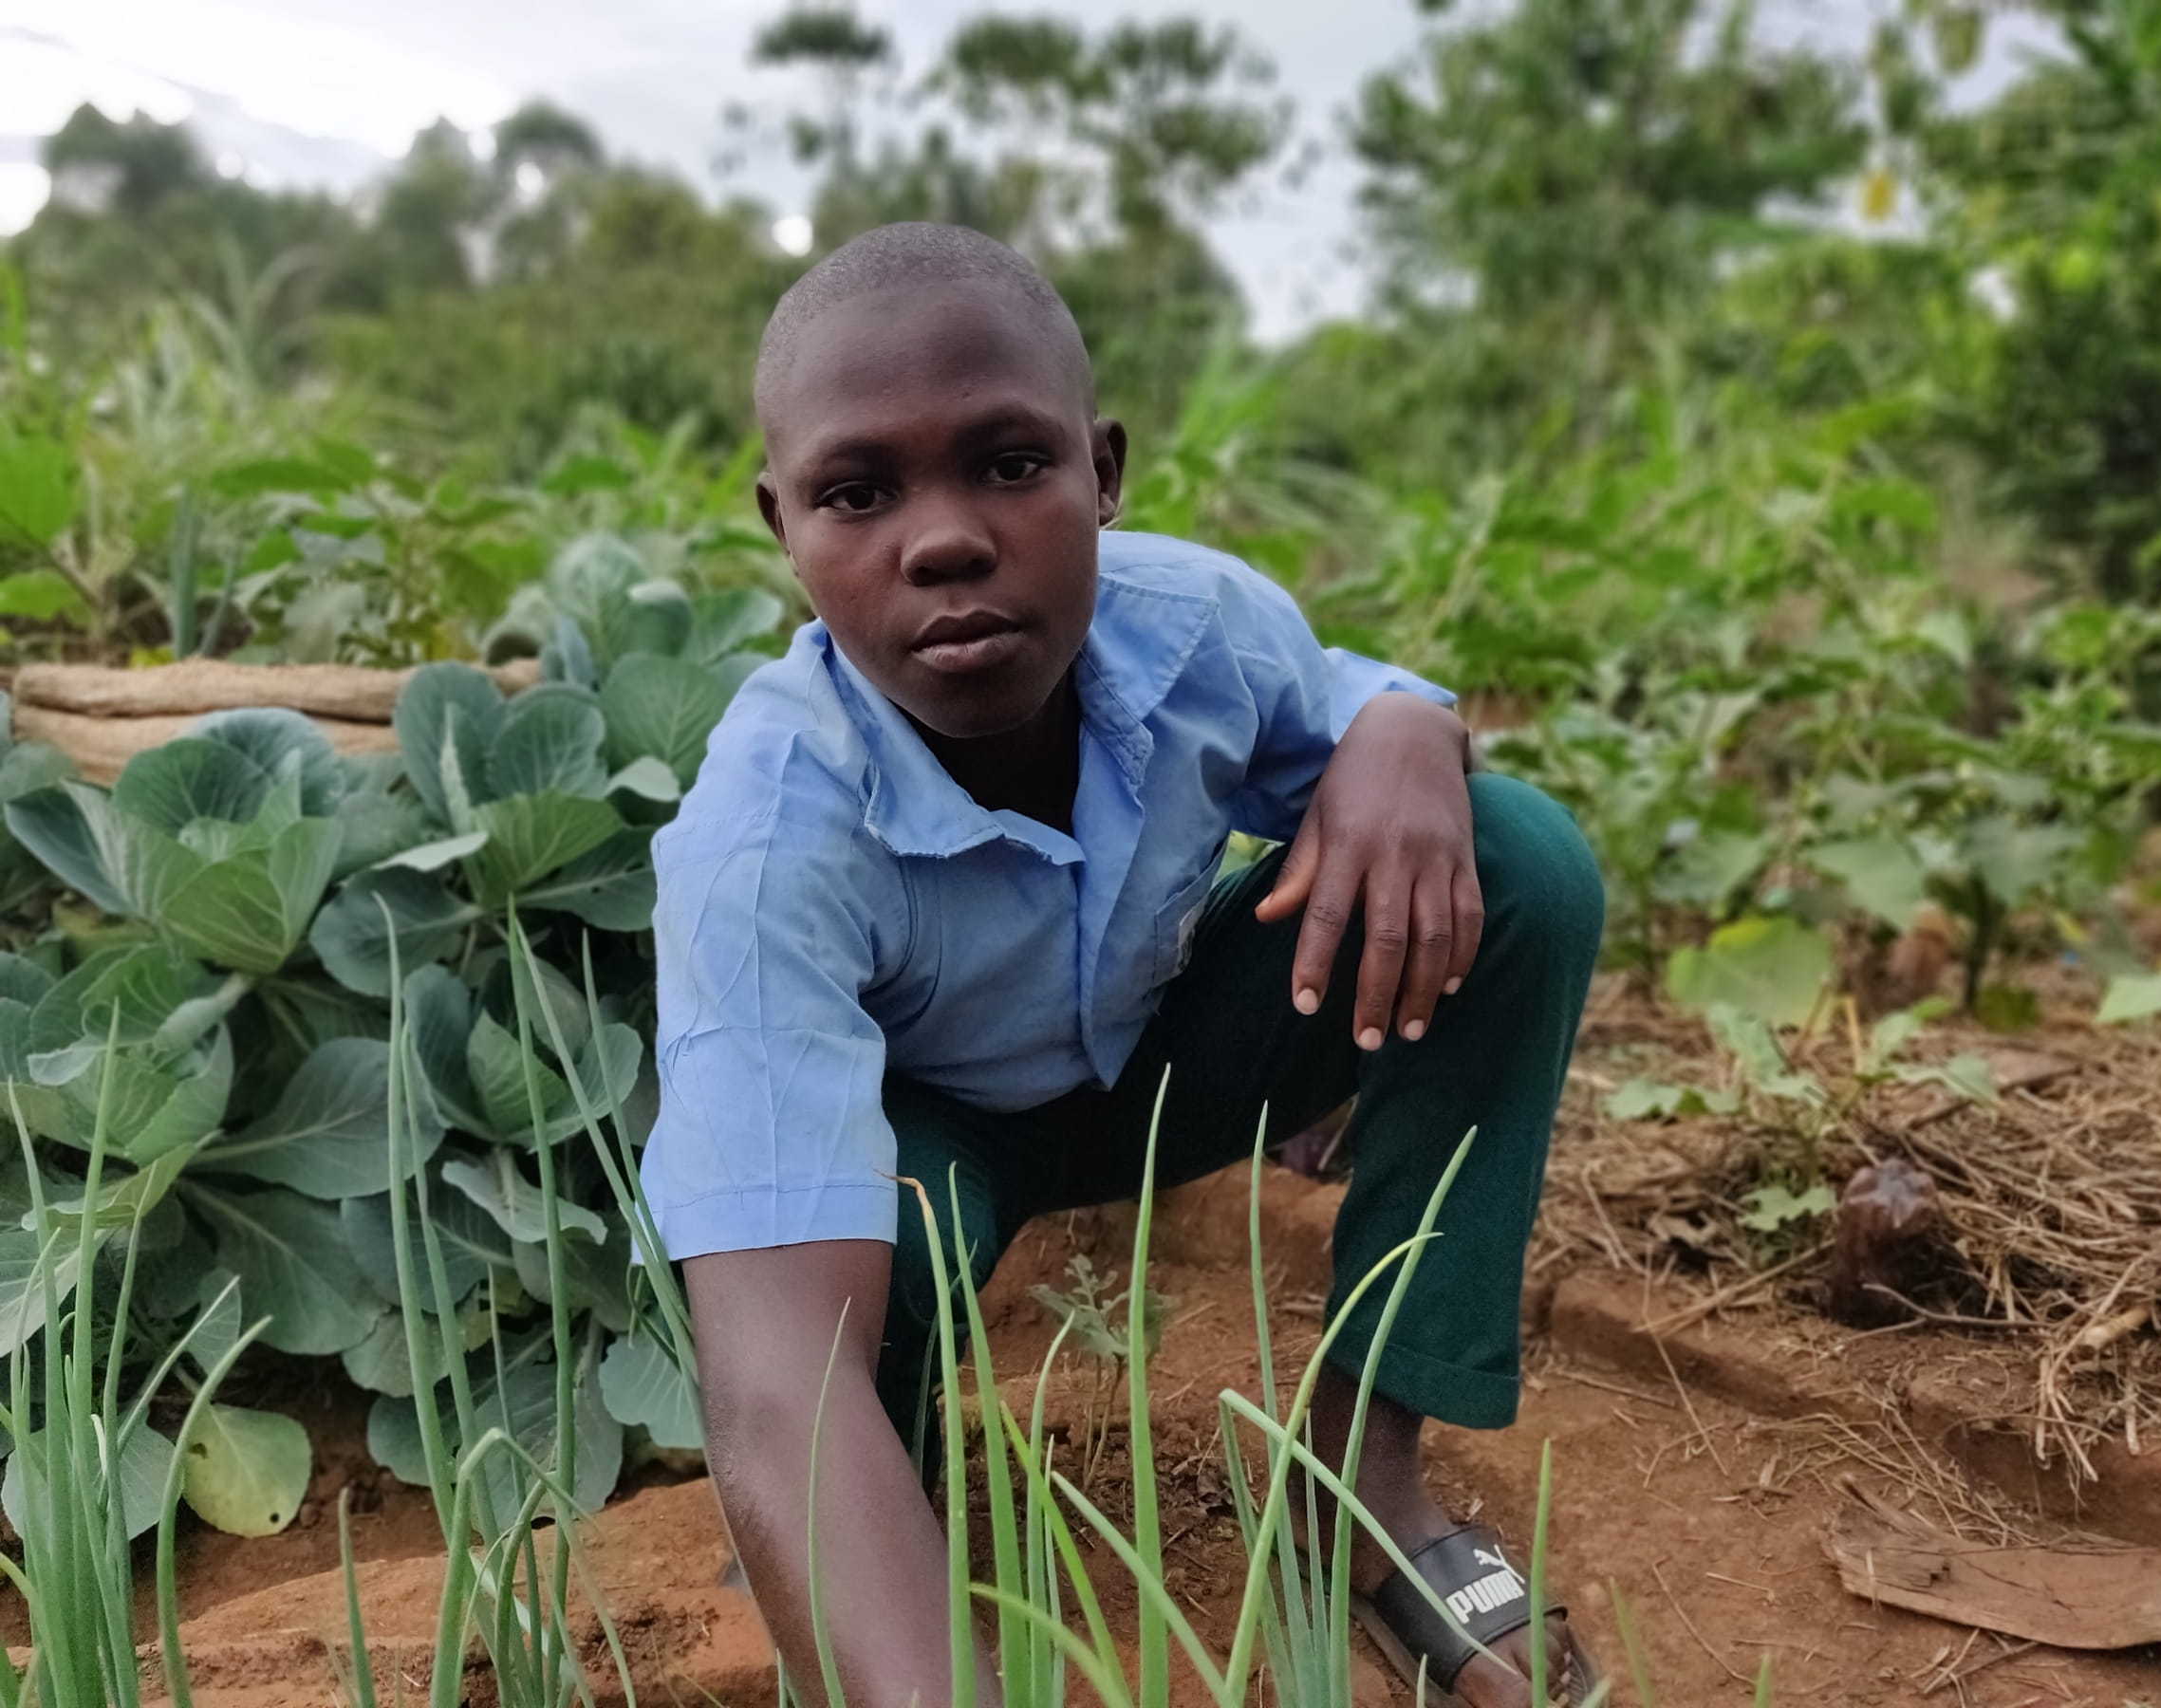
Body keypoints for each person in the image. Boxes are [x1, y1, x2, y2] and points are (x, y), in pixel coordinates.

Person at [643, 221, 1606, 1708]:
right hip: (924, 1147)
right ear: (782, 521)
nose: (946, 535)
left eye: (1010, 465)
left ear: (1103, 470)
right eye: (859, 492)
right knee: (862, 1259)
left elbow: (1348, 717)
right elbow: (778, 1361)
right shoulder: (766, 840)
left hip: (1160, 1066)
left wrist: (1412, 728)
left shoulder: (1193, 627)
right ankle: (857, 1545)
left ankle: (1361, 1485)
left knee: (1517, 862)